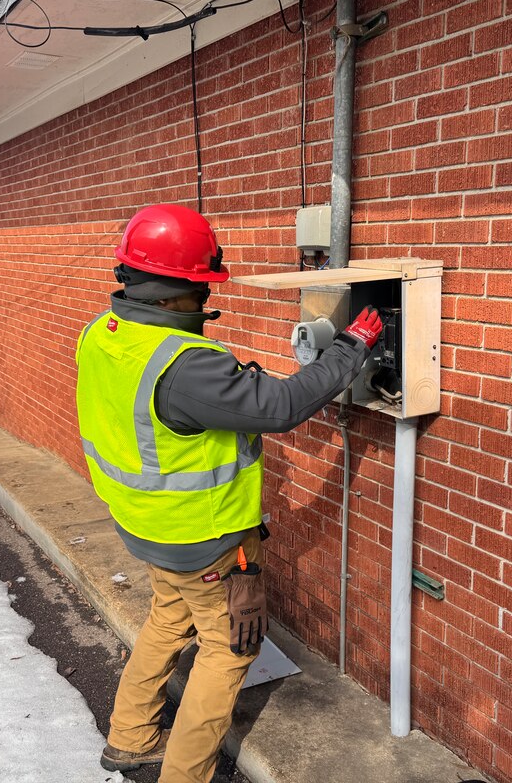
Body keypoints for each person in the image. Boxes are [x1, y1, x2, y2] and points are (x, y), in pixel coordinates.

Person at [75, 204, 382, 783]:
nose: (205, 304)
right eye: (200, 290)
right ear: (173, 294)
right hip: (206, 539)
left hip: (144, 525)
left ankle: (131, 738)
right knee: (228, 650)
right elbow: (284, 406)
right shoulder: (186, 365)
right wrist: (350, 348)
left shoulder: (103, 334)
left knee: (168, 620)